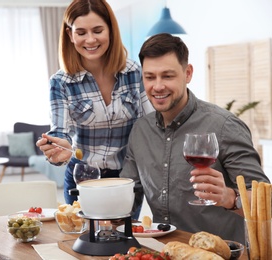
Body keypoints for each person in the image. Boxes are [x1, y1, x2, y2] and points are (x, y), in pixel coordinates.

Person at [120, 33, 270, 243]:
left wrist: (230, 198)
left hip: (218, 255)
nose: (158, 86)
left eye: (168, 76)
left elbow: (266, 204)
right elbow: (128, 194)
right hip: (163, 252)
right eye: (150, 77)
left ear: (188, 73)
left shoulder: (224, 126)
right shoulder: (140, 131)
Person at [36, 0, 154, 206]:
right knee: (83, 237)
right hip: (83, 178)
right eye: (81, 32)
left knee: (124, 237)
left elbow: (151, 125)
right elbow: (59, 132)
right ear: (70, 35)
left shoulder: (134, 72)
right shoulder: (60, 83)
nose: (90, 39)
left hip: (126, 179)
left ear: (110, 30)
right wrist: (57, 150)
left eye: (97, 30)